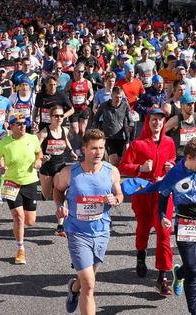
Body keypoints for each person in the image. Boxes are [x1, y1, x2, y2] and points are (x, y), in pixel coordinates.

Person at [132, 138, 196, 315]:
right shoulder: (174, 174)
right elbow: (162, 199)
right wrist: (162, 217)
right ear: (189, 158)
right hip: (183, 225)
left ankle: (179, 274)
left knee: (194, 266)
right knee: (193, 271)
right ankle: (194, 312)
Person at [58, 128, 124, 315]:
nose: (98, 152)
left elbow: (119, 194)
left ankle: (73, 289)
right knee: (89, 284)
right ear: (84, 149)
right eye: (94, 148)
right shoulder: (70, 172)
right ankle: (78, 289)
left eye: (101, 148)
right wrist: (59, 206)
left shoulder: (112, 171)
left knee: (87, 278)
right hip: (77, 232)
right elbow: (58, 190)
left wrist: (115, 199)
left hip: (102, 231)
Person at [120, 106, 178, 295]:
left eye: (160, 120)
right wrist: (140, 168)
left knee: (164, 232)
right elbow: (123, 167)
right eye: (154, 119)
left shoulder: (169, 142)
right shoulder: (138, 144)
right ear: (148, 121)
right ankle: (140, 254)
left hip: (162, 193)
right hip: (143, 192)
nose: (157, 123)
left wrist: (171, 167)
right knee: (143, 227)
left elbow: (173, 161)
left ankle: (162, 277)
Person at [0, 111, 43, 264]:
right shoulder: (4, 143)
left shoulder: (32, 139)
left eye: (24, 123)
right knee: (18, 217)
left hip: (30, 182)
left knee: (30, 221)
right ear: (11, 126)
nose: (23, 126)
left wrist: (39, 161)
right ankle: (20, 249)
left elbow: (39, 153)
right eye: (18, 124)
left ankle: (20, 230)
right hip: (11, 182)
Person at [38, 102, 73, 235]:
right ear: (51, 117)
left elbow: (66, 141)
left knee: (61, 193)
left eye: (61, 116)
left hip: (61, 166)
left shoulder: (65, 130)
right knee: (47, 196)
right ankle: (45, 191)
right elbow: (35, 148)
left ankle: (60, 226)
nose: (59, 118)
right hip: (47, 168)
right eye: (56, 116)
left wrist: (71, 151)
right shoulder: (44, 132)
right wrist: (41, 157)